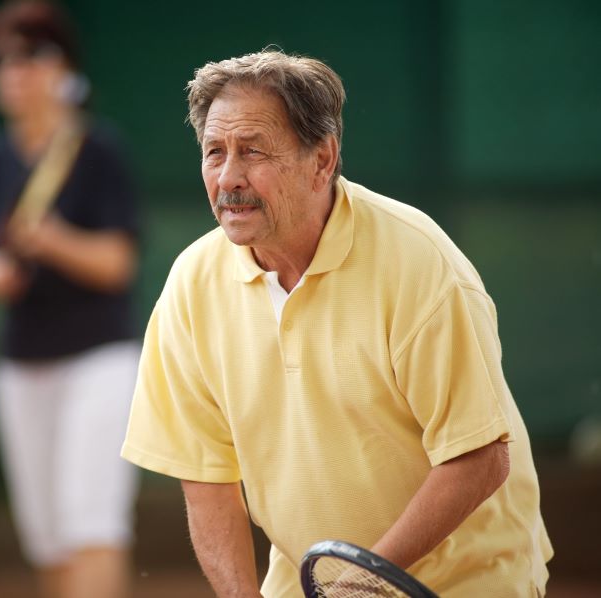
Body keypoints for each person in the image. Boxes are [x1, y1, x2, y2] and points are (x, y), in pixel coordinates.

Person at [121, 50, 553, 597]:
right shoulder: (191, 284)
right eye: (214, 152)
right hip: (311, 584)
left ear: (322, 159)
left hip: (466, 583)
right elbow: (207, 477)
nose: (229, 177)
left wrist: (358, 586)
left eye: (252, 152)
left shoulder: (418, 262)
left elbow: (479, 457)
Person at [0, 2, 140, 597]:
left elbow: (118, 262)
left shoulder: (99, 149)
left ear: (64, 67)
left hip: (98, 361)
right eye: (4, 59)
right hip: (19, 365)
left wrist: (53, 241)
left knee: (91, 525)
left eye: (33, 54)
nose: (16, 70)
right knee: (48, 539)